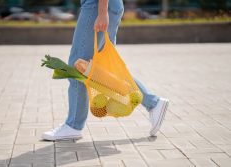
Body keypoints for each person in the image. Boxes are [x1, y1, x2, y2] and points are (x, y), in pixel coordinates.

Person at [42, 0, 169, 141]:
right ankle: (153, 103)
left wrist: (102, 12)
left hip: (96, 6)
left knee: (77, 67)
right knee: (102, 71)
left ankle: (73, 125)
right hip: (107, 6)